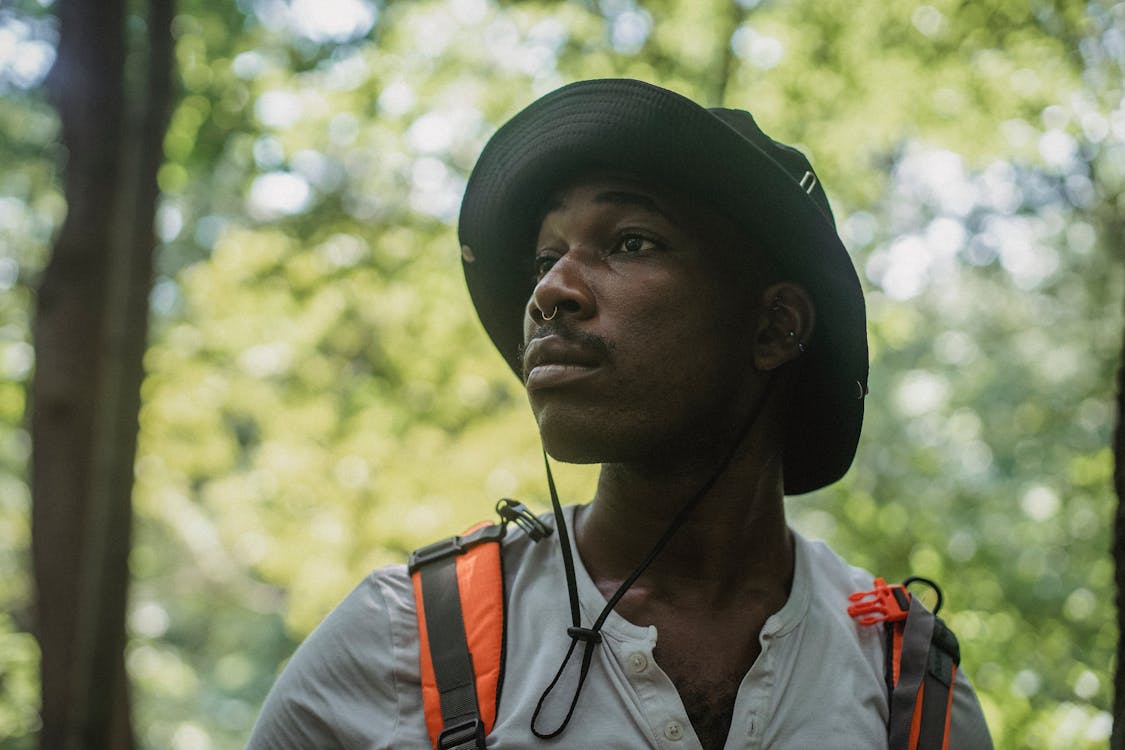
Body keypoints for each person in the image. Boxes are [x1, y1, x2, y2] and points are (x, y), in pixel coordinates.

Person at [247, 78, 992, 749]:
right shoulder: (406, 639)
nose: (549, 292)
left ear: (772, 328)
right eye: (545, 259)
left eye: (629, 241)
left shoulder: (904, 680)